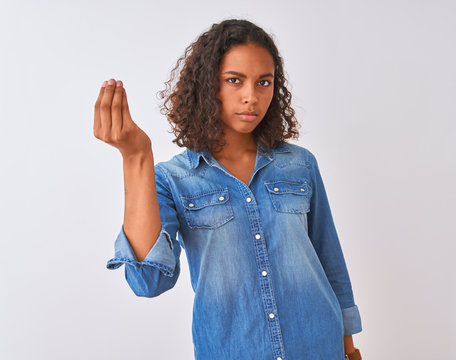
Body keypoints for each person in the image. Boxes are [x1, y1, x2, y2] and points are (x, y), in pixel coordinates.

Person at [94, 18, 363, 360]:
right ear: (209, 86)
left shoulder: (300, 164)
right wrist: (136, 157)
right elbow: (148, 282)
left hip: (318, 347)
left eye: (264, 82)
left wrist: (348, 349)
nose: (252, 97)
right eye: (234, 80)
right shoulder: (173, 179)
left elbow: (330, 261)